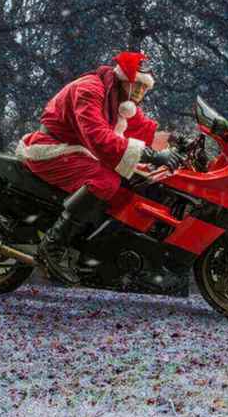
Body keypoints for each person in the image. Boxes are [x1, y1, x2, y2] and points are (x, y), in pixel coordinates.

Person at [15, 51, 184, 274]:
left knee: (132, 183)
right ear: (125, 79)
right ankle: (52, 245)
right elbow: (97, 137)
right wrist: (152, 155)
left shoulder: (120, 99)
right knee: (105, 181)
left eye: (145, 89)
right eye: (138, 86)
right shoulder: (91, 89)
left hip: (76, 149)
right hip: (50, 149)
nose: (141, 93)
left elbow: (142, 127)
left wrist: (177, 139)